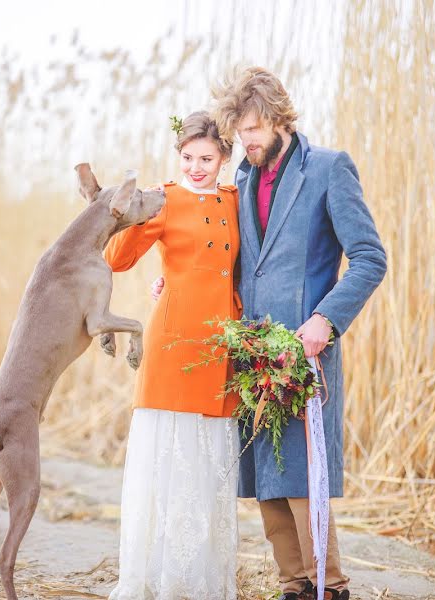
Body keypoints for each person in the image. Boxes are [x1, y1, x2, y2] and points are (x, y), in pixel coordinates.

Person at [211, 67, 387, 600]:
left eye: (255, 127)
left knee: (302, 477)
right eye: (240, 130)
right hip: (253, 352)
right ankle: (293, 586)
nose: (248, 139)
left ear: (279, 116)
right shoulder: (240, 179)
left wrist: (326, 319)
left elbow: (369, 258)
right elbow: (238, 262)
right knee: (266, 477)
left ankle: (330, 589)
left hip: (305, 353)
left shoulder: (330, 169)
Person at [105, 111, 242, 600]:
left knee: (207, 467)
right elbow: (117, 259)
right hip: (173, 343)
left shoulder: (235, 200)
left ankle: (196, 581)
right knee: (167, 460)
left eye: (207, 158)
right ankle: (155, 579)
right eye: (188, 158)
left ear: (225, 157)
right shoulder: (166, 198)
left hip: (220, 345)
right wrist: (138, 216)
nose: (197, 166)